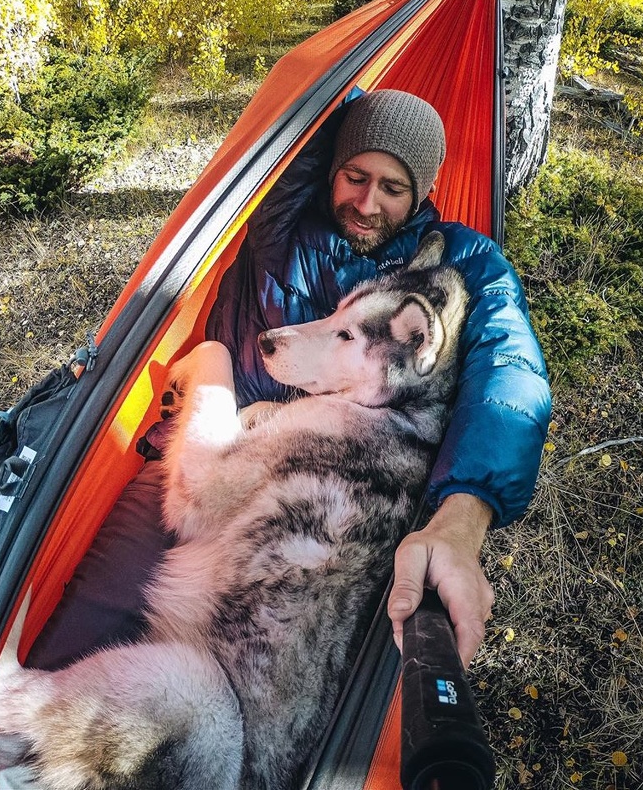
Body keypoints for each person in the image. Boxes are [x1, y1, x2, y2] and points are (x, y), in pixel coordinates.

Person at [205, 89, 552, 666]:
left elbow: (509, 373)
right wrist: (339, 93)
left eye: (393, 188)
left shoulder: (464, 264)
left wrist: (464, 515)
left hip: (348, 495)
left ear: (423, 194)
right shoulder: (284, 227)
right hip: (238, 447)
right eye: (354, 176)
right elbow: (296, 129)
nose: (366, 204)